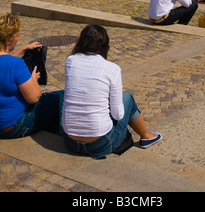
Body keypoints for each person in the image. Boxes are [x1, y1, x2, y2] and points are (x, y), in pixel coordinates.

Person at [61, 25, 162, 159]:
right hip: (100, 143)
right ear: (105, 45)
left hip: (70, 141)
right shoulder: (112, 69)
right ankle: (146, 136)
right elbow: (118, 114)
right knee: (127, 98)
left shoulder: (71, 61)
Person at [0, 13, 63, 139]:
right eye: (17, 36)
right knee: (58, 97)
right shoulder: (16, 64)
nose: (18, 39)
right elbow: (33, 98)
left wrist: (24, 49)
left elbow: (2, 61)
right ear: (8, 40)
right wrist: (33, 80)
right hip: (12, 127)